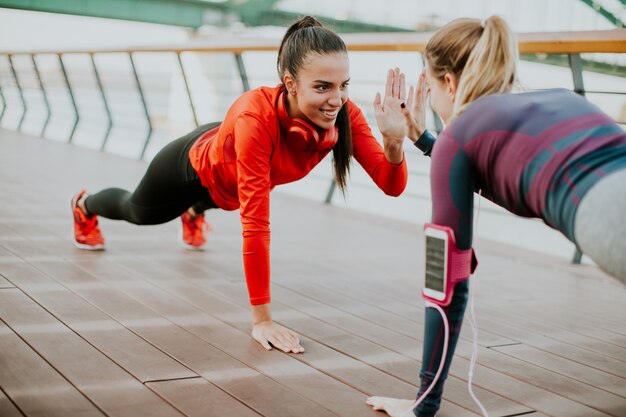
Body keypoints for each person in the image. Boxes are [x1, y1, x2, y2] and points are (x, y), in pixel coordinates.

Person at [71, 16, 411, 354]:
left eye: (344, 85)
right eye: (322, 87)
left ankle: (194, 213)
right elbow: (256, 225)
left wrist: (394, 143)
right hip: (191, 167)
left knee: (229, 197)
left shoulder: (344, 114)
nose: (336, 99)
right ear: (290, 83)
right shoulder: (256, 117)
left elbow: (391, 185)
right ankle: (84, 205)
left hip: (230, 183)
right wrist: (262, 320)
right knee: (138, 212)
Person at [366, 15, 626, 417]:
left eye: (431, 87)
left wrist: (423, 404)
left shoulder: (460, 137)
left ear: (449, 83)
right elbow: (518, 179)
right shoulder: (561, 96)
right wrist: (423, 140)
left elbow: (445, 283)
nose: (432, 100)